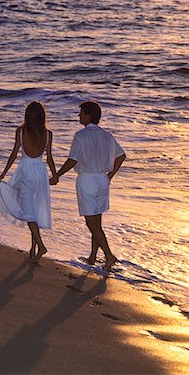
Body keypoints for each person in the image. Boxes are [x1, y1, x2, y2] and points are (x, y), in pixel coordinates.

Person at [50, 100, 126, 272]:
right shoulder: (107, 135)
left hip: (87, 180)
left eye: (81, 113)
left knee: (91, 224)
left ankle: (108, 255)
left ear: (88, 115)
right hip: (102, 180)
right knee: (97, 221)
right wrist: (110, 176)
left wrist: (57, 175)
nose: (79, 116)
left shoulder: (80, 136)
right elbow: (121, 156)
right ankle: (92, 256)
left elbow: (73, 160)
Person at [0, 101, 57, 263]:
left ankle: (41, 246)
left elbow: (14, 154)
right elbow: (49, 158)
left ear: (27, 115)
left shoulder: (21, 131)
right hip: (40, 173)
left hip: (26, 172)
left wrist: (3, 173)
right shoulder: (48, 133)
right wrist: (55, 175)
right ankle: (33, 248)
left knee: (29, 212)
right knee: (33, 210)